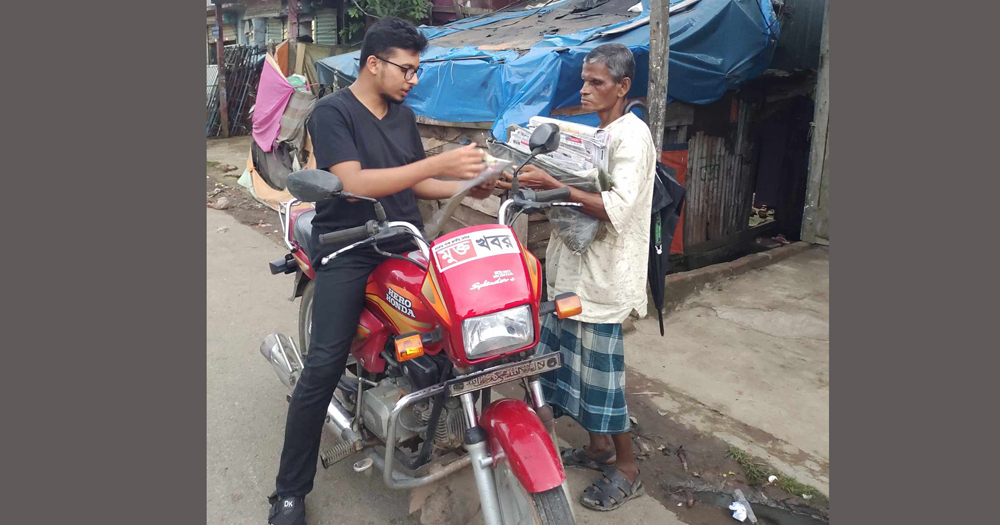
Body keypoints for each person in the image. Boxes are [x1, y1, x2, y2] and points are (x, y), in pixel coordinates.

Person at [267, 17, 492, 525]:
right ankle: (289, 491)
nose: (413, 79)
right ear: (374, 63)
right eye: (406, 69)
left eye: (416, 70)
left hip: (404, 241)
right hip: (350, 246)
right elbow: (356, 182)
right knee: (324, 365)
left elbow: (413, 185)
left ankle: (440, 419)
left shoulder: (403, 116)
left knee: (459, 331)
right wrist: (438, 165)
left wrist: (469, 186)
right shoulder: (331, 112)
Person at [500, 43, 656, 512]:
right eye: (584, 81)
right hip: (573, 274)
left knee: (602, 379)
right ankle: (598, 448)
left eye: (597, 82)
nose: (585, 90)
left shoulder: (632, 138)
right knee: (570, 367)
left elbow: (614, 206)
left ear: (622, 87)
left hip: (604, 276)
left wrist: (555, 187)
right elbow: (586, 186)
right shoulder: (599, 134)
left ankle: (627, 468)